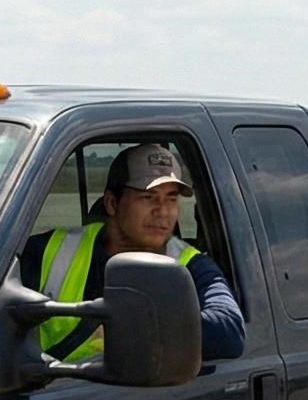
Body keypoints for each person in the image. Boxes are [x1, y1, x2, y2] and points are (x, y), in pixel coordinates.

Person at [19, 143, 245, 364]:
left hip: (131, 398)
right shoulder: (49, 249)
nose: (163, 211)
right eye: (148, 197)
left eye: (172, 199)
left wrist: (133, 326)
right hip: (45, 393)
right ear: (111, 203)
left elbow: (230, 332)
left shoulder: (191, 265)